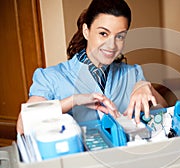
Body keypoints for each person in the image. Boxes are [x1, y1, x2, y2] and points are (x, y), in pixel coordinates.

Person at [17, 0, 167, 134]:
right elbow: (23, 126)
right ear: (86, 31)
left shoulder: (133, 74)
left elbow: (164, 114)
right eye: (103, 33)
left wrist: (146, 87)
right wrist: (72, 101)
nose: (112, 45)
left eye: (120, 36)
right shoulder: (50, 77)